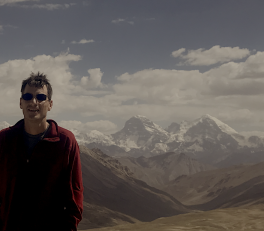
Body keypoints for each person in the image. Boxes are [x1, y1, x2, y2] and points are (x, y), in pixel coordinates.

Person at [0, 72, 83, 231]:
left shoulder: (65, 142)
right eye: (28, 96)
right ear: (20, 103)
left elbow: (75, 197)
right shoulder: (4, 140)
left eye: (41, 97)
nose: (33, 102)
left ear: (50, 104)